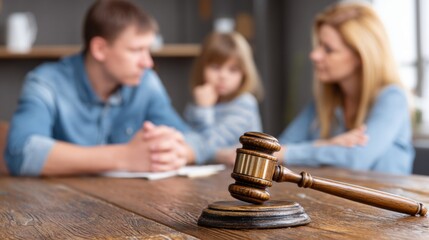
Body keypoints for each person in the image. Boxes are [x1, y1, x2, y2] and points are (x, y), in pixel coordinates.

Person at [4, 0, 202, 176]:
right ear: (100, 49)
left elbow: (188, 138)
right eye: (136, 50)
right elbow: (21, 151)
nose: (148, 62)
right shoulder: (46, 82)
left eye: (148, 50)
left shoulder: (146, 81)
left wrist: (177, 153)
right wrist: (125, 157)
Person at [276, 2, 414, 175]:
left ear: (360, 56)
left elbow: (356, 158)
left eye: (328, 49)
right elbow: (276, 149)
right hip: (331, 201)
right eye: (318, 45)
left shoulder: (393, 98)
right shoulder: (324, 102)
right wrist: (326, 145)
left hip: (384, 201)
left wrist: (290, 153)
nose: (314, 55)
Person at [184, 32, 263, 165]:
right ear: (202, 68)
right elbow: (189, 139)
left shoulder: (245, 103)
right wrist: (219, 154)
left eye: (233, 70)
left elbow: (209, 144)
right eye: (215, 67)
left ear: (244, 73)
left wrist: (204, 109)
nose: (223, 76)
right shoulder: (200, 101)